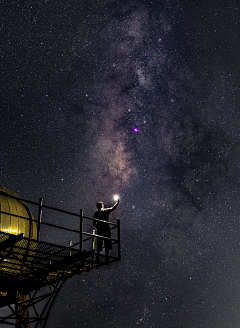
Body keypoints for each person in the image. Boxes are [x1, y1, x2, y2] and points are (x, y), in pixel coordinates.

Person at [93, 198, 119, 263]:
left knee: (99, 243)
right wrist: (117, 202)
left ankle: (97, 257)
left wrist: (98, 227)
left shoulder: (96, 213)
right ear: (102, 205)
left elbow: (93, 222)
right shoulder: (105, 211)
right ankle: (106, 258)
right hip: (106, 229)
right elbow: (113, 208)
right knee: (107, 243)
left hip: (100, 230)